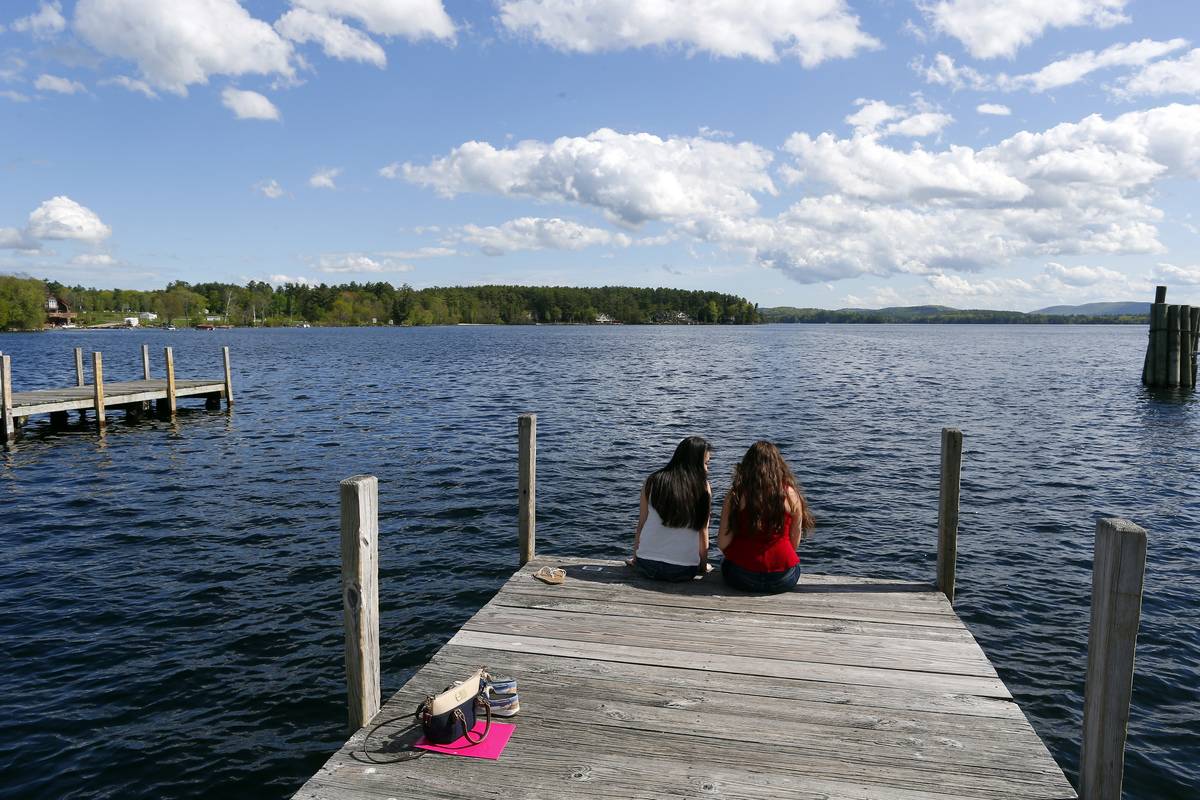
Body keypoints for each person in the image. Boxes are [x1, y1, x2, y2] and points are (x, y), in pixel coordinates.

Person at [717, 441, 815, 593]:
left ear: (747, 465)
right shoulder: (791, 495)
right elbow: (794, 545)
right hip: (782, 578)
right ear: (779, 465)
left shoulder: (736, 495)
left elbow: (723, 543)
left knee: (725, 563)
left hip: (742, 576)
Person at [628, 436, 712, 581]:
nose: (707, 469)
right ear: (696, 464)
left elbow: (642, 523)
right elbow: (703, 530)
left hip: (646, 565)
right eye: (705, 463)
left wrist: (636, 558)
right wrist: (703, 566)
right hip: (683, 570)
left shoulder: (652, 481)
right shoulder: (703, 488)